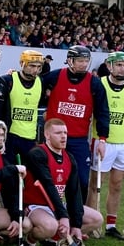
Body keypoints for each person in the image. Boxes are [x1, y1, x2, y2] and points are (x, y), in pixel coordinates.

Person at [22, 118, 104, 246]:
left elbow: (74, 193)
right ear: (47, 135)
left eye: (65, 133)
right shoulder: (37, 154)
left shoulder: (69, 158)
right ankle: (30, 242)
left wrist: (76, 225)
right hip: (36, 206)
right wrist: (63, 216)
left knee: (96, 219)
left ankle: (57, 241)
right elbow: (49, 186)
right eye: (58, 133)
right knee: (50, 226)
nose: (63, 136)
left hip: (57, 205)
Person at [87, 52, 124, 240]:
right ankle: (91, 222)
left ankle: (111, 225)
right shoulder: (98, 84)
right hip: (102, 142)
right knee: (95, 184)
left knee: (117, 184)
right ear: (109, 66)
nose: (122, 68)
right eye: (118, 64)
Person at [42, 45, 109, 197]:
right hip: (53, 139)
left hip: (78, 140)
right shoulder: (54, 77)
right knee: (50, 179)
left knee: (82, 181)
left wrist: (102, 139)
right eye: (80, 61)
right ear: (70, 60)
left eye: (86, 61)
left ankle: (77, 210)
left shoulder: (95, 83)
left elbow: (103, 113)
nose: (84, 64)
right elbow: (32, 87)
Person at [4, 50, 45, 163]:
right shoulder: (8, 80)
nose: (35, 70)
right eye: (32, 66)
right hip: (10, 135)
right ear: (22, 64)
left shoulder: (41, 82)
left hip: (30, 137)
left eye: (39, 67)